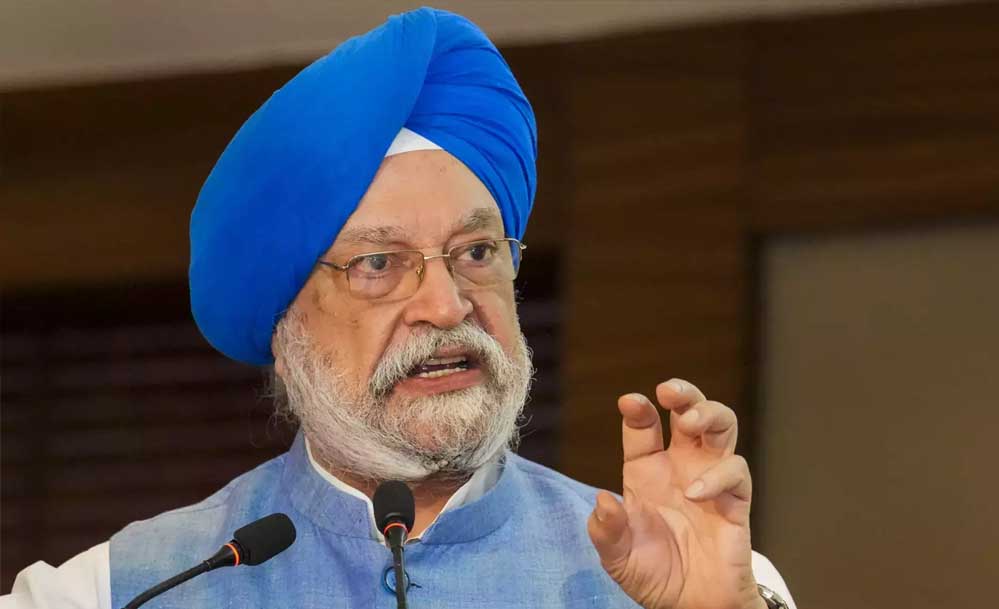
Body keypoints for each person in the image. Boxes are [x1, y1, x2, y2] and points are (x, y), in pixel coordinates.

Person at [3, 8, 796, 609]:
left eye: (475, 252)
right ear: (286, 327)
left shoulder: (689, 577)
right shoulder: (116, 591)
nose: (446, 305)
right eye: (379, 265)